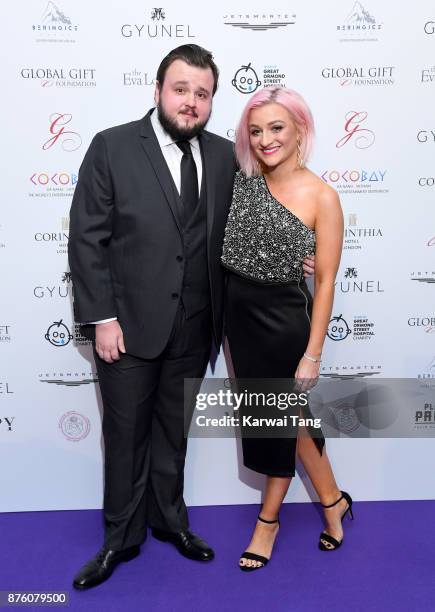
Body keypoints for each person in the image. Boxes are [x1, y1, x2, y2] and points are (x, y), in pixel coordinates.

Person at [68, 44, 238, 590]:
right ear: (159, 90)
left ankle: (171, 522)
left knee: (173, 434)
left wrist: (299, 253)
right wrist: (101, 318)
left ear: (212, 100)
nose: (191, 102)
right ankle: (120, 537)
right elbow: (87, 239)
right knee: (125, 437)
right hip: (127, 329)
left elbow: (244, 231)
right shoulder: (113, 146)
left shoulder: (226, 155)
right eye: (181, 89)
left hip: (194, 327)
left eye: (203, 93)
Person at [221, 86, 353, 572]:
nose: (264, 140)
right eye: (255, 131)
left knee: (276, 421)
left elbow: (325, 281)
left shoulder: (323, 196)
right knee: (291, 422)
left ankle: (267, 524)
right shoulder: (242, 179)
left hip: (282, 324)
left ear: (300, 128)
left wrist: (312, 353)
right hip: (239, 322)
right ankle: (333, 501)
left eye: (276, 128)